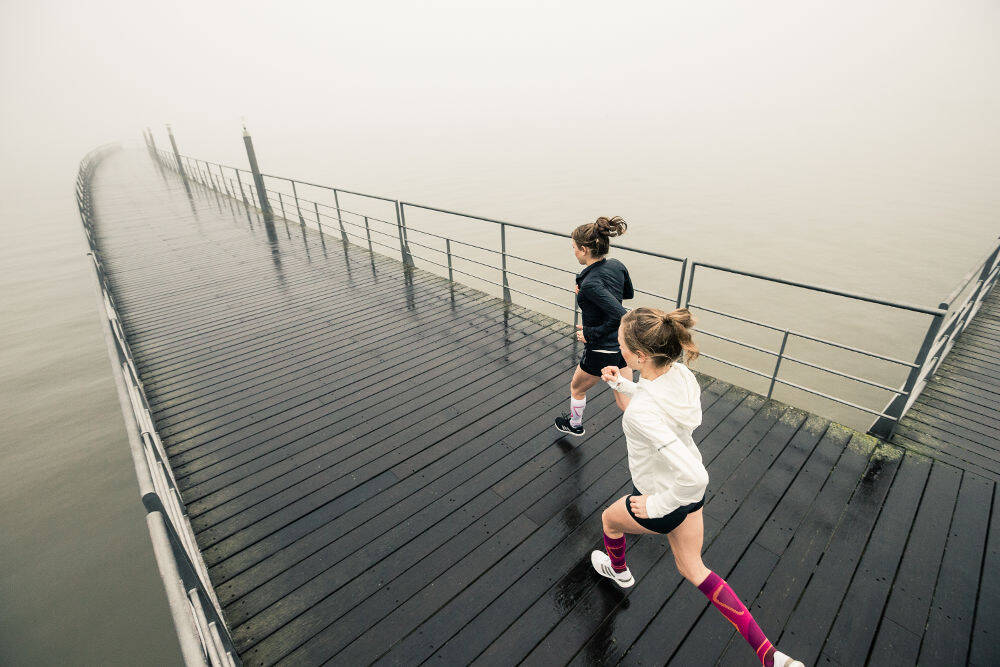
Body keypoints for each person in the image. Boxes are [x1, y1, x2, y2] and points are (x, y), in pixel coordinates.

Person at [590, 307, 803, 667]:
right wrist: (623, 384)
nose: (618, 349)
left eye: (623, 346)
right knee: (693, 569)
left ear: (640, 356)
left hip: (665, 500)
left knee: (609, 521)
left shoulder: (642, 413)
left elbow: (693, 474)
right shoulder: (682, 375)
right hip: (690, 501)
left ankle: (620, 571)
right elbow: (658, 398)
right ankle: (771, 656)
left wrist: (656, 506)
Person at [553, 216, 634, 437]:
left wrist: (590, 333)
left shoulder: (590, 283)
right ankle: (655, 434)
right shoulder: (617, 266)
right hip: (621, 346)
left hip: (601, 349)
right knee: (626, 402)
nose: (573, 252)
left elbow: (621, 315)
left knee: (577, 388)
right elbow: (627, 294)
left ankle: (575, 425)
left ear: (584, 249)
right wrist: (591, 296)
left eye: (574, 248)